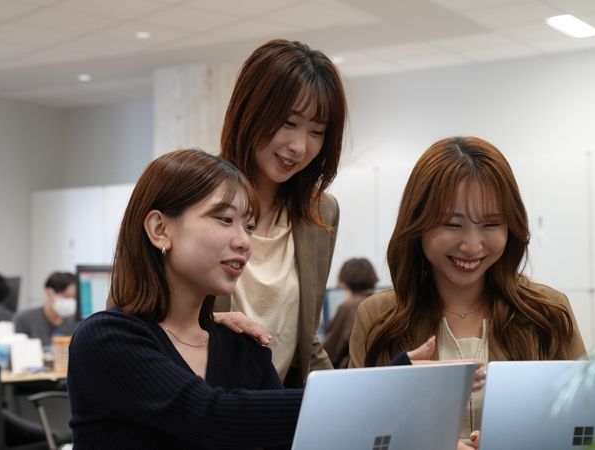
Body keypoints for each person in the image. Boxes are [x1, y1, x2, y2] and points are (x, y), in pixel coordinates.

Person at [66, 149, 428, 449]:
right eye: (225, 219)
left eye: (249, 225)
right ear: (160, 229)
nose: (243, 241)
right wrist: (379, 389)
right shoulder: (106, 339)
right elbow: (213, 418)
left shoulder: (243, 347)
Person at [348, 136, 587, 446]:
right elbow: (355, 433)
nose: (472, 246)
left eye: (491, 224)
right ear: (417, 223)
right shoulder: (378, 317)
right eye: (453, 224)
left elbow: (586, 422)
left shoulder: (547, 312)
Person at [216, 38, 347, 387]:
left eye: (317, 131)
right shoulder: (191, 196)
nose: (299, 147)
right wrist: (208, 326)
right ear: (249, 109)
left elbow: (304, 342)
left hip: (275, 412)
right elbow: (133, 325)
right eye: (288, 122)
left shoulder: (321, 214)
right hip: (199, 408)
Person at [322, 258, 378, 368]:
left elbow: (329, 350)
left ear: (344, 283)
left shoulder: (348, 307)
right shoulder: (381, 303)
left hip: (353, 371)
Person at [13, 272, 77, 347]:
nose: (71, 301)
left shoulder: (77, 322)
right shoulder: (24, 319)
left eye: (74, 297)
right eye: (66, 296)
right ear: (49, 293)